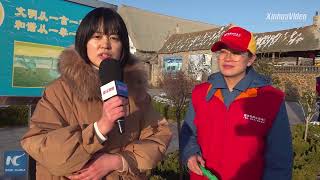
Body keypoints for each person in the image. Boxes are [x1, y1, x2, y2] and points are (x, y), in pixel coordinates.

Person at [21, 7, 172, 180]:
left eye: (114, 38)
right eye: (97, 36)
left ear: (123, 47)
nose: (105, 44)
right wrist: (98, 129)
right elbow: (37, 144)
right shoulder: (59, 91)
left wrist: (118, 161)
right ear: (83, 42)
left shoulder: (136, 91)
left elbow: (159, 136)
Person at [180, 26, 292, 180]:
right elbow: (188, 132)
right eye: (223, 52)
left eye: (236, 52)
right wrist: (190, 153)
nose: (227, 58)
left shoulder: (272, 99)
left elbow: (280, 161)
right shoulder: (200, 93)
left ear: (251, 59)